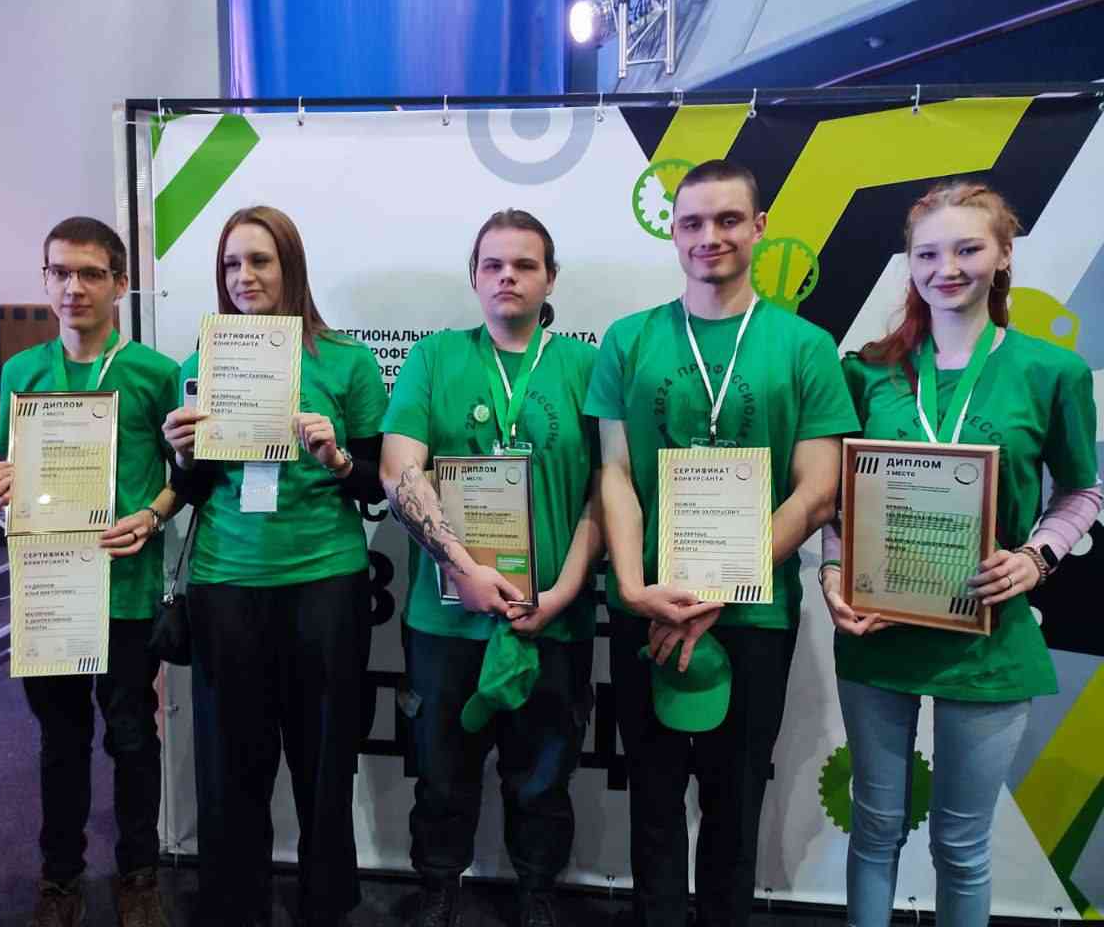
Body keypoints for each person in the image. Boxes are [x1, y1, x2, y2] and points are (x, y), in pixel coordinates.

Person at [819, 179, 1102, 926]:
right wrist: (832, 570)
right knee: (874, 828)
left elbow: (1083, 491)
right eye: (928, 254)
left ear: (1004, 255)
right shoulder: (867, 371)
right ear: (909, 263)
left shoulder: (1052, 372)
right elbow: (840, 498)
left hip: (988, 638)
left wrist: (1038, 557)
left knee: (962, 846)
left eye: (968, 249)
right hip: (878, 631)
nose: (946, 268)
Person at [585, 160, 859, 926]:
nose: (710, 236)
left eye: (729, 219)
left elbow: (817, 491)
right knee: (652, 798)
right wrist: (633, 589)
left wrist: (716, 588)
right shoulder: (628, 339)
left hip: (753, 617)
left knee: (734, 806)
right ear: (672, 233)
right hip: (649, 608)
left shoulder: (805, 346)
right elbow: (615, 473)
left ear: (759, 227)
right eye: (693, 222)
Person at [160, 206, 388, 927]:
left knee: (325, 762)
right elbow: (197, 486)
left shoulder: (348, 363)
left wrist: (338, 457)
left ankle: (326, 905)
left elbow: (377, 485)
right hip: (226, 584)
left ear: (291, 266)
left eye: (260, 260)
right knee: (230, 768)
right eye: (231, 264)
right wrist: (182, 456)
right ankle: (234, 907)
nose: (245, 276)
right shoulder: (203, 364)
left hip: (325, 582)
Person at [379, 209, 603, 927]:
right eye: (493, 265)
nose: (508, 277)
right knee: (442, 775)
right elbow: (398, 471)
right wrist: (461, 567)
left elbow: (607, 492)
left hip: (553, 616)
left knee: (544, 778)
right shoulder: (433, 359)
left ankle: (537, 891)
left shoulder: (585, 367)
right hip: (448, 619)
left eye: (525, 265)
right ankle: (438, 887)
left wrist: (564, 592)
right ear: (474, 277)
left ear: (550, 279)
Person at [0, 216, 179, 927]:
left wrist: (152, 514)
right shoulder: (20, 373)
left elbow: (186, 475)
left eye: (91, 273)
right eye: (60, 272)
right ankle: (60, 877)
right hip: (49, 584)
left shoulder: (156, 373)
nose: (74, 287)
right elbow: (5, 465)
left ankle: (139, 874)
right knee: (60, 742)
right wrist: (0, 479)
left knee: (132, 738)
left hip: (125, 586)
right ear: (45, 280)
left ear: (120, 284)